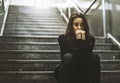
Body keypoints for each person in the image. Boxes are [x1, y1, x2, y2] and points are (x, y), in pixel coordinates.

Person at [54, 12, 101, 83]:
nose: (79, 28)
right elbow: (66, 58)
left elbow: (86, 56)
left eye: (82, 25)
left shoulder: (90, 39)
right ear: (71, 26)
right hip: (69, 71)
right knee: (68, 57)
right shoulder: (63, 38)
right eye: (76, 25)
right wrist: (77, 40)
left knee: (95, 56)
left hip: (83, 72)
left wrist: (82, 41)